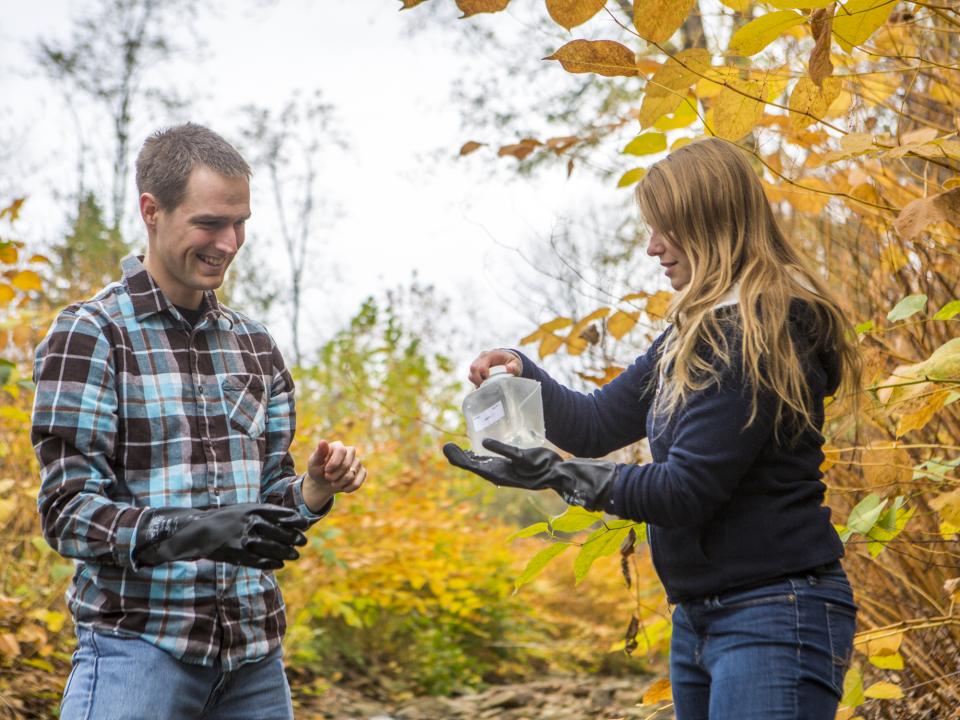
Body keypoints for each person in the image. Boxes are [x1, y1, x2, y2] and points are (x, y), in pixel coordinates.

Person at [445, 137, 861, 719]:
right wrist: (523, 372)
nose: (652, 247)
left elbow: (685, 490)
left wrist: (562, 476)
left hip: (773, 611)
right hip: (699, 617)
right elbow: (595, 424)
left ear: (711, 224)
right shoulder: (697, 329)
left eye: (665, 229)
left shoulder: (759, 330)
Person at [31, 123, 366, 719]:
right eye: (211, 223)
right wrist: (197, 531)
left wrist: (313, 488)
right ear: (151, 211)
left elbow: (268, 504)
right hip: (138, 652)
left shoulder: (255, 345)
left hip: (254, 662)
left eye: (240, 223)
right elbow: (67, 514)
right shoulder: (92, 334)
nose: (230, 242)